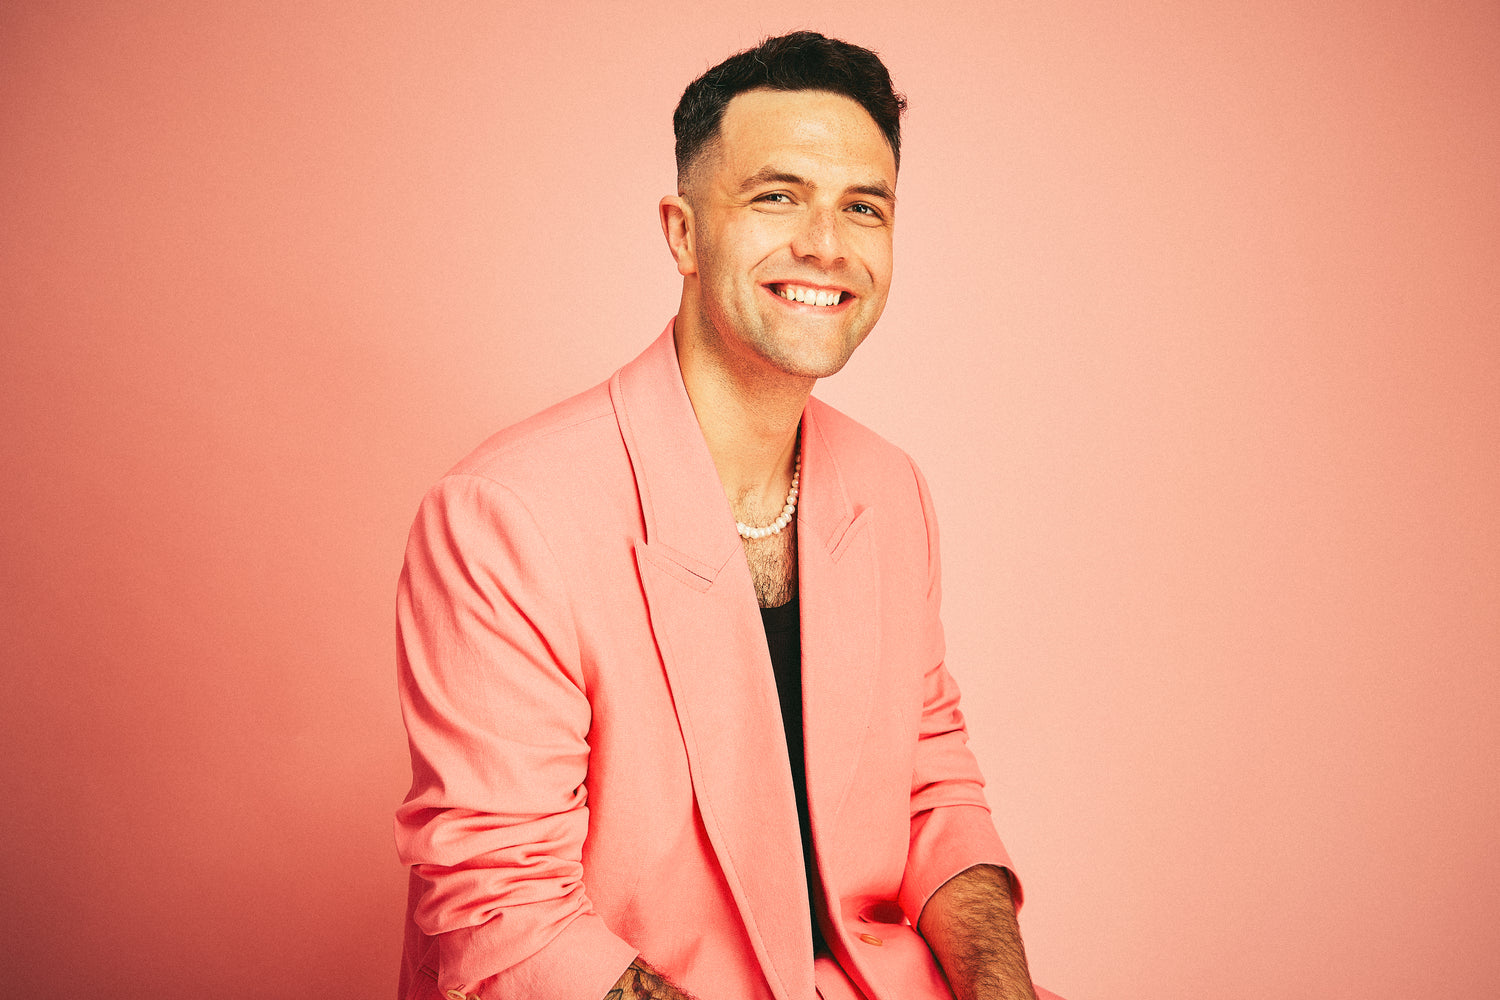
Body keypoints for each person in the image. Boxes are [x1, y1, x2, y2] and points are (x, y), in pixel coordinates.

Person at [395, 31, 1062, 1000]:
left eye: (862, 207)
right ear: (681, 232)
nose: (826, 244)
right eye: (776, 195)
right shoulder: (503, 517)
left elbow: (932, 792)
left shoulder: (890, 487)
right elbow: (507, 913)